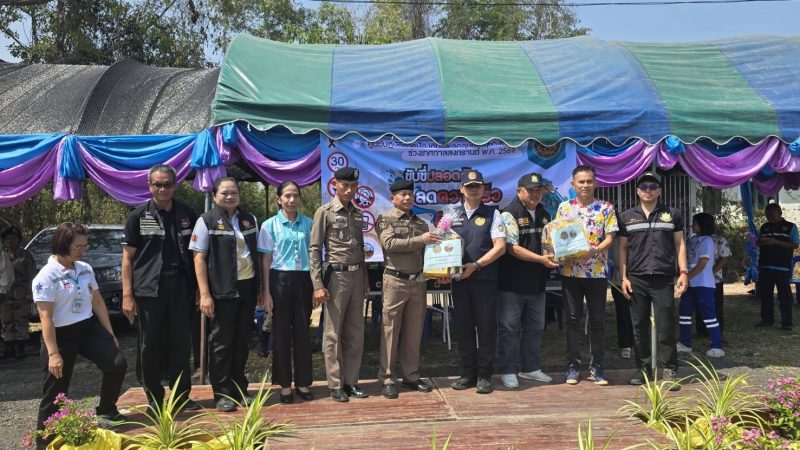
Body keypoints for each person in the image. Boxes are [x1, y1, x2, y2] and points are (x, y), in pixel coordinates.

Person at [32, 223, 127, 449]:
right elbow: (45, 318)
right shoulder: (45, 276)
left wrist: (110, 333)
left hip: (86, 327)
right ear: (63, 245)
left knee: (117, 363)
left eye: (86, 245)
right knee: (56, 390)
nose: (83, 250)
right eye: (78, 246)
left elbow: (97, 301)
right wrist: (54, 353)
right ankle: (44, 442)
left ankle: (106, 410)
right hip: (59, 335)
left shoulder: (85, 267)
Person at [121, 164, 200, 411]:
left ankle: (180, 397)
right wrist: (127, 295)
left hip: (180, 286)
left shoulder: (188, 214)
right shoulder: (138, 216)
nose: (163, 188)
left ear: (175, 186)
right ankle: (154, 399)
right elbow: (127, 258)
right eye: (158, 184)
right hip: (148, 290)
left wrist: (199, 288)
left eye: (167, 184)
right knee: (150, 345)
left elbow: (198, 254)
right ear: (150, 186)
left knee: (181, 343)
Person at [191, 177, 261, 412]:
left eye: (234, 192)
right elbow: (199, 258)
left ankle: (240, 388)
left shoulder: (249, 219)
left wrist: (260, 288)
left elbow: (257, 255)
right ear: (215, 195)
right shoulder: (206, 220)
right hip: (221, 291)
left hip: (247, 288)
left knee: (242, 341)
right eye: (225, 193)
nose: (230, 197)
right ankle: (221, 393)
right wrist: (204, 294)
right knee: (222, 343)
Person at [545, 165, 617, 386]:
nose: (585, 185)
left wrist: (596, 250)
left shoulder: (606, 208)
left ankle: (597, 367)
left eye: (589, 181)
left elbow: (611, 238)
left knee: (597, 321)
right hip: (570, 272)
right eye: (581, 182)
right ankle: (573, 366)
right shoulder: (564, 208)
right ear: (573, 184)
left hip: (596, 273)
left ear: (595, 183)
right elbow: (558, 237)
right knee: (572, 320)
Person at [617, 171, 687, 389]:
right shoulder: (626, 216)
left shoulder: (672, 214)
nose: (648, 190)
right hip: (636, 278)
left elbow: (680, 244)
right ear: (637, 191)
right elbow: (622, 249)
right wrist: (623, 277)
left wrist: (683, 272)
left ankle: (669, 370)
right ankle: (643, 368)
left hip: (663, 277)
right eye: (644, 187)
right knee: (639, 326)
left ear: (660, 191)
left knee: (666, 325)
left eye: (652, 187)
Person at [375, 179, 440, 399]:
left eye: (410, 194)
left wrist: (443, 265)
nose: (407, 198)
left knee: (414, 332)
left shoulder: (421, 223)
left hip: (418, 281)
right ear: (393, 198)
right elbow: (389, 244)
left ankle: (411, 376)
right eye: (402, 194)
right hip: (395, 281)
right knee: (390, 331)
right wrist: (420, 240)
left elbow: (429, 252)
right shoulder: (386, 219)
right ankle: (387, 378)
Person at [310, 167, 368, 403]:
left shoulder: (357, 213)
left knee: (355, 332)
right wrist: (317, 283)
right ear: (335, 184)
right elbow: (315, 249)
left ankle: (351, 381)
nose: (350, 189)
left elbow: (361, 250)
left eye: (353, 185)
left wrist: (364, 280)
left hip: (356, 276)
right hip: (336, 277)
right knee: (333, 333)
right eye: (345, 185)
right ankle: (335, 384)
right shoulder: (325, 212)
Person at [496, 173, 558, 389]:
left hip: (538, 281)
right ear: (518, 191)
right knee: (509, 328)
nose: (535, 193)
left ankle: (530, 368)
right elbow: (511, 248)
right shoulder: (508, 214)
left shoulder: (544, 213)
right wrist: (541, 259)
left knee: (535, 327)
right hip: (512, 283)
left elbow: (550, 243)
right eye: (530, 190)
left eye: (538, 189)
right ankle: (508, 369)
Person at [258, 181, 315, 404]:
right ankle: (284, 385)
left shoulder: (309, 223)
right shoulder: (269, 225)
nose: (292, 200)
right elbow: (265, 259)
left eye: (295, 196)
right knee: (281, 333)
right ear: (279, 199)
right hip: (279, 279)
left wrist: (315, 286)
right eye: (287, 196)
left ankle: (303, 382)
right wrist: (266, 291)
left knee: (302, 332)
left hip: (303, 279)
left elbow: (315, 256)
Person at [449, 170, 506, 394]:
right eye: (469, 186)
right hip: (460, 280)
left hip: (484, 279)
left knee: (486, 328)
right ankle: (467, 374)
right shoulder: (450, 216)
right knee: (463, 327)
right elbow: (442, 246)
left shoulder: (493, 214)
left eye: (477, 186)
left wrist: (477, 265)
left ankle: (484, 375)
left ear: (483, 189)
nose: (473, 189)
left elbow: (500, 247)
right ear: (461, 189)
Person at [677, 213, 724, 357]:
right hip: (689, 285)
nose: (693, 226)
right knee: (684, 313)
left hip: (703, 284)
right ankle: (685, 343)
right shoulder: (692, 240)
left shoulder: (707, 241)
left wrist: (687, 276)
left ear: (703, 225)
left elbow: (703, 263)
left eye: (695, 223)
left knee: (709, 315)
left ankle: (716, 345)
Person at [755, 203, 798, 331]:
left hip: (782, 266)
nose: (769, 217)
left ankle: (786, 322)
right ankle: (766, 320)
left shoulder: (790, 227)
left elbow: (795, 244)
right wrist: (760, 242)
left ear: (779, 212)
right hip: (765, 265)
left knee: (784, 296)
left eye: (772, 214)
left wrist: (776, 242)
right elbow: (758, 242)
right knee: (766, 295)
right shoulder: (764, 227)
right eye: (767, 215)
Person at [695, 214, 731, 338]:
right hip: (698, 280)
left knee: (715, 306)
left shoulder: (719, 240)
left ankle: (717, 332)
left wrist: (711, 272)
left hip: (714, 280)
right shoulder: (695, 239)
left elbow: (724, 259)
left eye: (695, 223)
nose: (692, 226)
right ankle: (701, 330)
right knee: (699, 306)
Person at [2, 226, 32, 359]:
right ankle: (9, 348)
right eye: (7, 239)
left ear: (19, 239)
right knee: (6, 321)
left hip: (21, 294)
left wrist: (30, 293)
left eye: (13, 238)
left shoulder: (25, 256)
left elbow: (31, 275)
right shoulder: (2, 256)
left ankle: (21, 349)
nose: (10, 241)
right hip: (4, 295)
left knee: (21, 320)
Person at [608, 229, 635, 360]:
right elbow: (617, 260)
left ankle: (639, 343)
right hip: (620, 282)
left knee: (639, 314)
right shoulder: (614, 240)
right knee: (624, 314)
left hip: (639, 280)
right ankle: (626, 345)